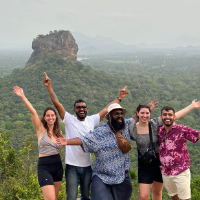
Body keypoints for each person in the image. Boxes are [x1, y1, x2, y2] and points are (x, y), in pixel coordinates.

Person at [43, 72, 129, 200]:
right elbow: (57, 104)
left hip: (87, 166)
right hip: (72, 165)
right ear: (74, 110)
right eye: (78, 107)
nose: (81, 109)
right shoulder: (69, 120)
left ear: (87, 109)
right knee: (71, 196)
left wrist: (119, 98)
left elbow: (107, 109)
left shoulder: (92, 120)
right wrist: (49, 87)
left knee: (85, 196)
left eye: (83, 107)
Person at [56, 103, 134, 200]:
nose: (120, 116)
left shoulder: (125, 126)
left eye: (121, 113)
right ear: (110, 116)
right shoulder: (101, 132)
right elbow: (85, 140)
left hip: (121, 175)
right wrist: (67, 141)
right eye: (116, 114)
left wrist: (145, 111)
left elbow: (136, 119)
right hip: (102, 176)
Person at [128, 100, 200, 200]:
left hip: (164, 164)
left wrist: (191, 107)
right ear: (137, 114)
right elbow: (120, 127)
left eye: (147, 113)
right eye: (142, 113)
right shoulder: (133, 128)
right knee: (144, 196)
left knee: (158, 192)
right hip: (148, 165)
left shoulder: (155, 124)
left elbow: (171, 117)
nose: (145, 115)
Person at [13, 86, 63, 200]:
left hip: (57, 166)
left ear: (55, 117)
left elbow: (59, 151)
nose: (50, 117)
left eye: (52, 115)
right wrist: (23, 96)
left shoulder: (58, 133)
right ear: (44, 118)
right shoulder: (41, 130)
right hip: (44, 167)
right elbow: (33, 112)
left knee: (54, 198)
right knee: (50, 198)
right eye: (48, 115)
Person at [158, 106, 200, 200]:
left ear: (174, 117)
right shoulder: (160, 131)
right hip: (166, 172)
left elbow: (197, 135)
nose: (167, 116)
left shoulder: (181, 129)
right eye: (165, 114)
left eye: (170, 115)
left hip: (181, 171)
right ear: (161, 117)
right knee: (174, 197)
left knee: (185, 198)